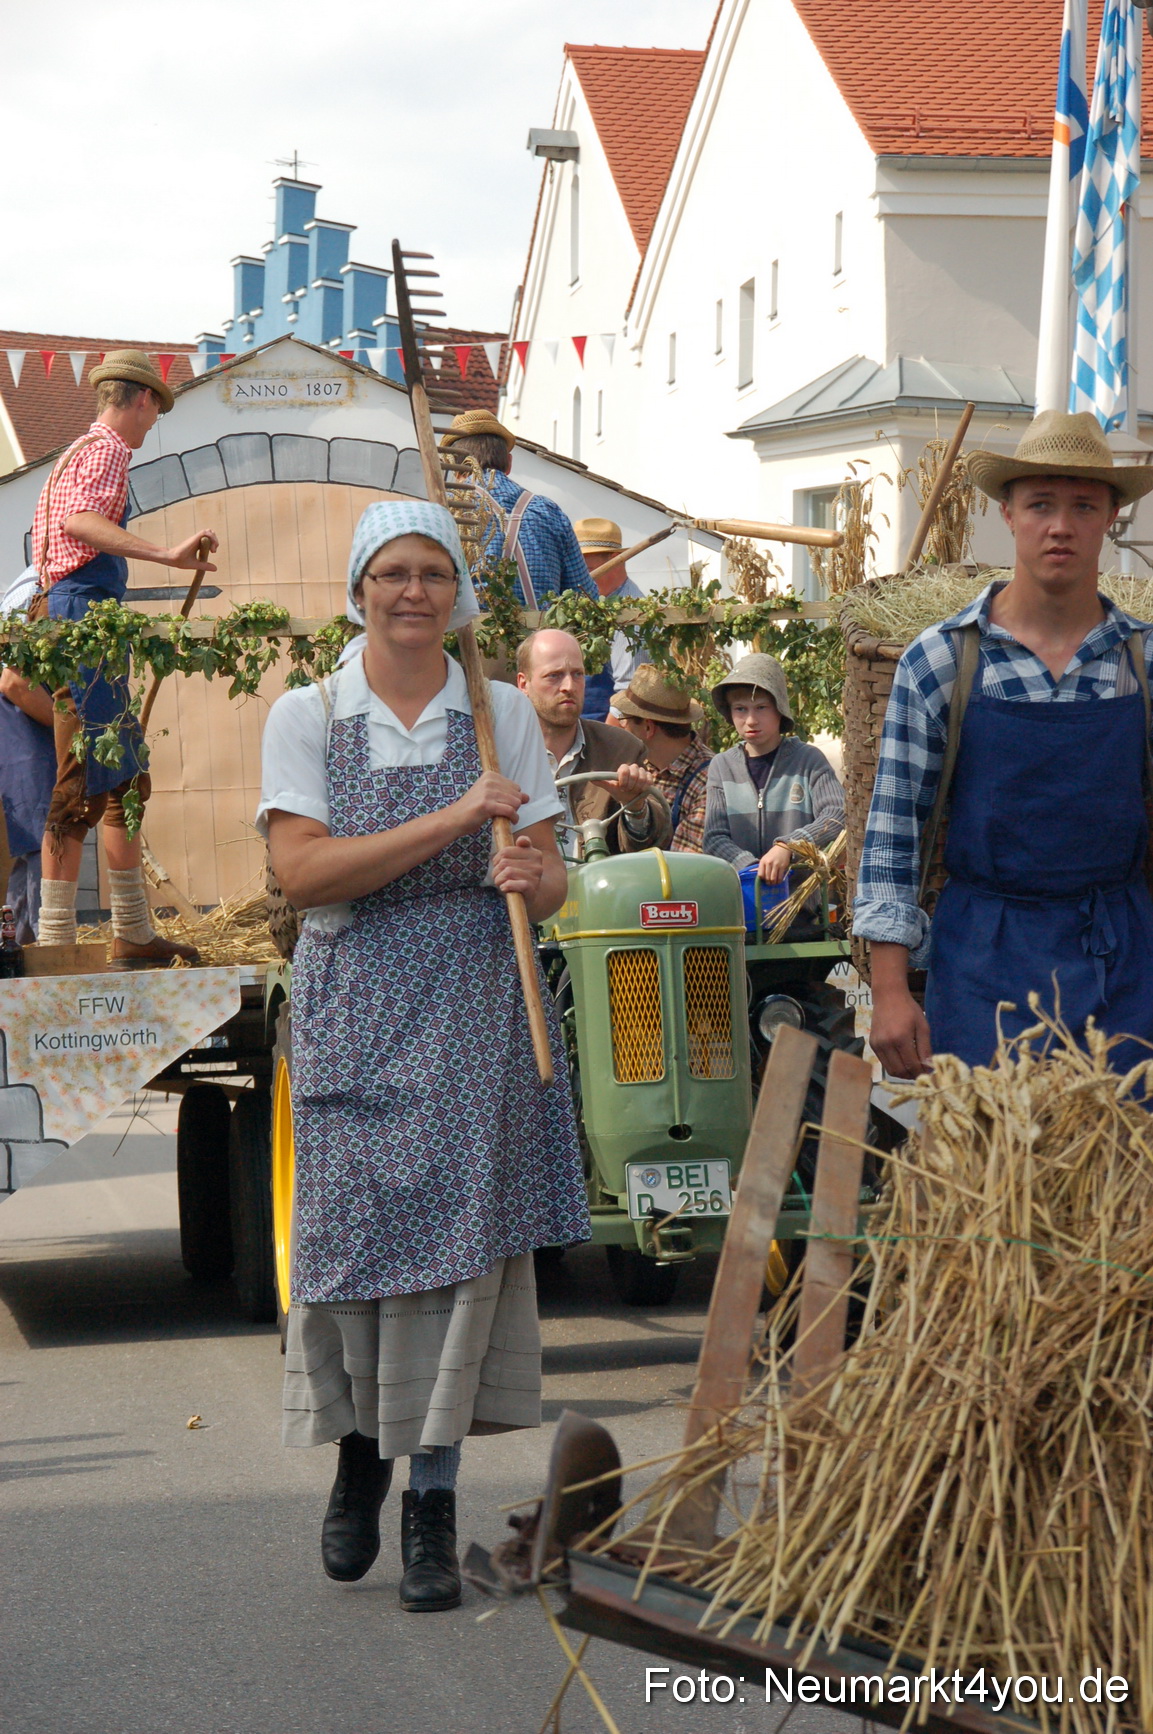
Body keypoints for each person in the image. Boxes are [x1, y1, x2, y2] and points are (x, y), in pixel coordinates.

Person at [259, 500, 589, 1612]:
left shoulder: (499, 711)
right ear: (358, 590)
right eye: (392, 573)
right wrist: (455, 821)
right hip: (355, 999)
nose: (413, 592)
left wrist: (532, 878)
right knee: (353, 1250)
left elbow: (550, 877)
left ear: (458, 594)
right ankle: (361, 1458)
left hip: (471, 1007)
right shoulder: (309, 713)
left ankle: (431, 1510)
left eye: (433, 574)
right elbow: (304, 875)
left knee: (459, 1266)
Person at [854, 410, 1153, 1080]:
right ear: (1007, 513)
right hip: (983, 958)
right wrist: (890, 990)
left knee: (1122, 1145)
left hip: (1121, 959)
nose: (1060, 525)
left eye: (1083, 506)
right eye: (1040, 504)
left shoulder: (1141, 661)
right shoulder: (943, 661)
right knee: (987, 1144)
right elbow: (894, 834)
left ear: (1111, 518)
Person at [29, 350, 218, 963]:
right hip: (82, 615)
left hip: (68, 614)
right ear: (140, 399)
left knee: (122, 777)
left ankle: (129, 931)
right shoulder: (108, 449)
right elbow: (81, 523)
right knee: (83, 781)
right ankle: (58, 941)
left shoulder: (74, 452)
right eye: (155, 411)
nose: (152, 423)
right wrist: (165, 555)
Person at [515, 629, 670, 854]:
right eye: (554, 675)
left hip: (602, 876)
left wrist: (635, 808)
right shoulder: (499, 752)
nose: (569, 686)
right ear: (523, 684)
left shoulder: (621, 749)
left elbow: (649, 851)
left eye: (577, 674)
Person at [703, 653, 844, 878]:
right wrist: (752, 868)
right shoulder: (722, 766)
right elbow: (714, 837)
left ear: (779, 709)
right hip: (744, 891)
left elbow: (836, 814)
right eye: (740, 709)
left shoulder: (808, 760)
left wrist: (789, 846)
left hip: (799, 895)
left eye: (761, 707)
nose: (751, 720)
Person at [438, 410, 597, 607]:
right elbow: (585, 598)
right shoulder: (549, 512)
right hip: (542, 627)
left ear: (451, 465)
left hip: (468, 628)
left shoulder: (445, 512)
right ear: (509, 462)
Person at [0, 569, 55, 941]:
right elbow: (13, 681)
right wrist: (71, 728)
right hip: (20, 715)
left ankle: (18, 942)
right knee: (42, 831)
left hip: (31, 716)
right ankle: (42, 941)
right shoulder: (34, 591)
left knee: (36, 837)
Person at [611, 666, 712, 851]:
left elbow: (684, 861)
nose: (621, 725)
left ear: (648, 728)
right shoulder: (642, 763)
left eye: (624, 718)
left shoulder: (708, 781)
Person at [573, 517, 651, 722]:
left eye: (587, 571)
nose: (580, 580)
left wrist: (604, 738)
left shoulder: (630, 614)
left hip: (602, 727)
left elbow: (628, 696)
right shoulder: (598, 602)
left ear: (615, 561)